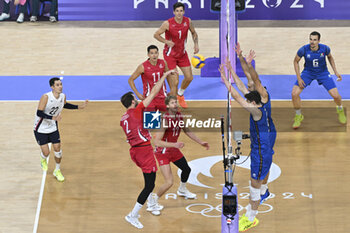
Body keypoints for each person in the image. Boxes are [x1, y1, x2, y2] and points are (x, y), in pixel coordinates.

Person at [219, 54, 273, 231]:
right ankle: (264, 191)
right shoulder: (263, 103)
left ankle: (251, 217)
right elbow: (244, 87)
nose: (247, 101)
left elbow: (236, 95)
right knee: (261, 179)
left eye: (249, 101)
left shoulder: (256, 112)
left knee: (253, 186)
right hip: (265, 144)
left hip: (260, 151)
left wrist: (225, 80)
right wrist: (232, 71)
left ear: (255, 103)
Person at [120, 69, 175, 229]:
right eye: (135, 99)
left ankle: (152, 204)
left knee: (149, 180)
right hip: (144, 151)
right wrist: (164, 76)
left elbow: (137, 130)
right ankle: (133, 214)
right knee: (149, 185)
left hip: (135, 152)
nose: (137, 100)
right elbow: (154, 91)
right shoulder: (137, 110)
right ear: (132, 102)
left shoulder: (124, 118)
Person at [230, 44, 276, 203]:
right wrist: (240, 58)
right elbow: (244, 83)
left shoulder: (263, 94)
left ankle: (263, 189)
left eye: (252, 87)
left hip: (268, 131)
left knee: (267, 156)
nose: (248, 88)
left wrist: (249, 64)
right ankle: (264, 189)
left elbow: (253, 78)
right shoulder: (252, 93)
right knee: (267, 156)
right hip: (263, 129)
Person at [148, 95, 209, 212]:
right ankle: (153, 202)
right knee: (169, 182)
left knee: (186, 169)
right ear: (167, 106)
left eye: (176, 102)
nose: (175, 104)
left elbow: (186, 130)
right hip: (163, 152)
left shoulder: (179, 116)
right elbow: (156, 141)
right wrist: (174, 145)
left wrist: (201, 142)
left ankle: (182, 189)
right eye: (172, 103)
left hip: (173, 149)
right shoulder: (165, 120)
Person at [34, 77, 88, 182]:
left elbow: (65, 104)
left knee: (57, 148)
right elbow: (39, 113)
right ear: (52, 87)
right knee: (46, 152)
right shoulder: (45, 97)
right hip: (40, 128)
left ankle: (57, 170)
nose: (60, 87)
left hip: (53, 127)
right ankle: (43, 158)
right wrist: (53, 117)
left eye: (61, 84)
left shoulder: (63, 96)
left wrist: (79, 107)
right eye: (57, 85)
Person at [292, 31, 346, 129]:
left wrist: (335, 71)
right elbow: (295, 61)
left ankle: (340, 109)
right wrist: (299, 78)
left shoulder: (325, 48)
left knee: (336, 96)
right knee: (294, 94)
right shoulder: (303, 49)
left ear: (319, 41)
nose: (312, 42)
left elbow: (330, 57)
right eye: (311, 39)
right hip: (308, 73)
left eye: (314, 40)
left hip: (323, 73)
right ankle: (298, 115)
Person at [154, 2, 199, 109]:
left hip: (182, 54)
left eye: (181, 11)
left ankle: (180, 94)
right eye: (177, 11)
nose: (179, 13)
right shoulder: (167, 23)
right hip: (170, 56)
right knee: (175, 82)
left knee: (189, 77)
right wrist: (166, 41)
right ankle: (173, 106)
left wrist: (196, 44)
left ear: (184, 12)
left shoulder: (188, 21)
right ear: (174, 12)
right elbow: (156, 34)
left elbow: (194, 32)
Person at [128, 45, 169, 112]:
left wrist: (172, 89)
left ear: (158, 53)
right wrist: (138, 94)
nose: (154, 55)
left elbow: (168, 75)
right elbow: (130, 80)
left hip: (162, 96)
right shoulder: (143, 66)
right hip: (149, 98)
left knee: (168, 118)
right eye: (152, 53)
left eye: (156, 53)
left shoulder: (163, 63)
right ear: (148, 55)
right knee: (150, 120)